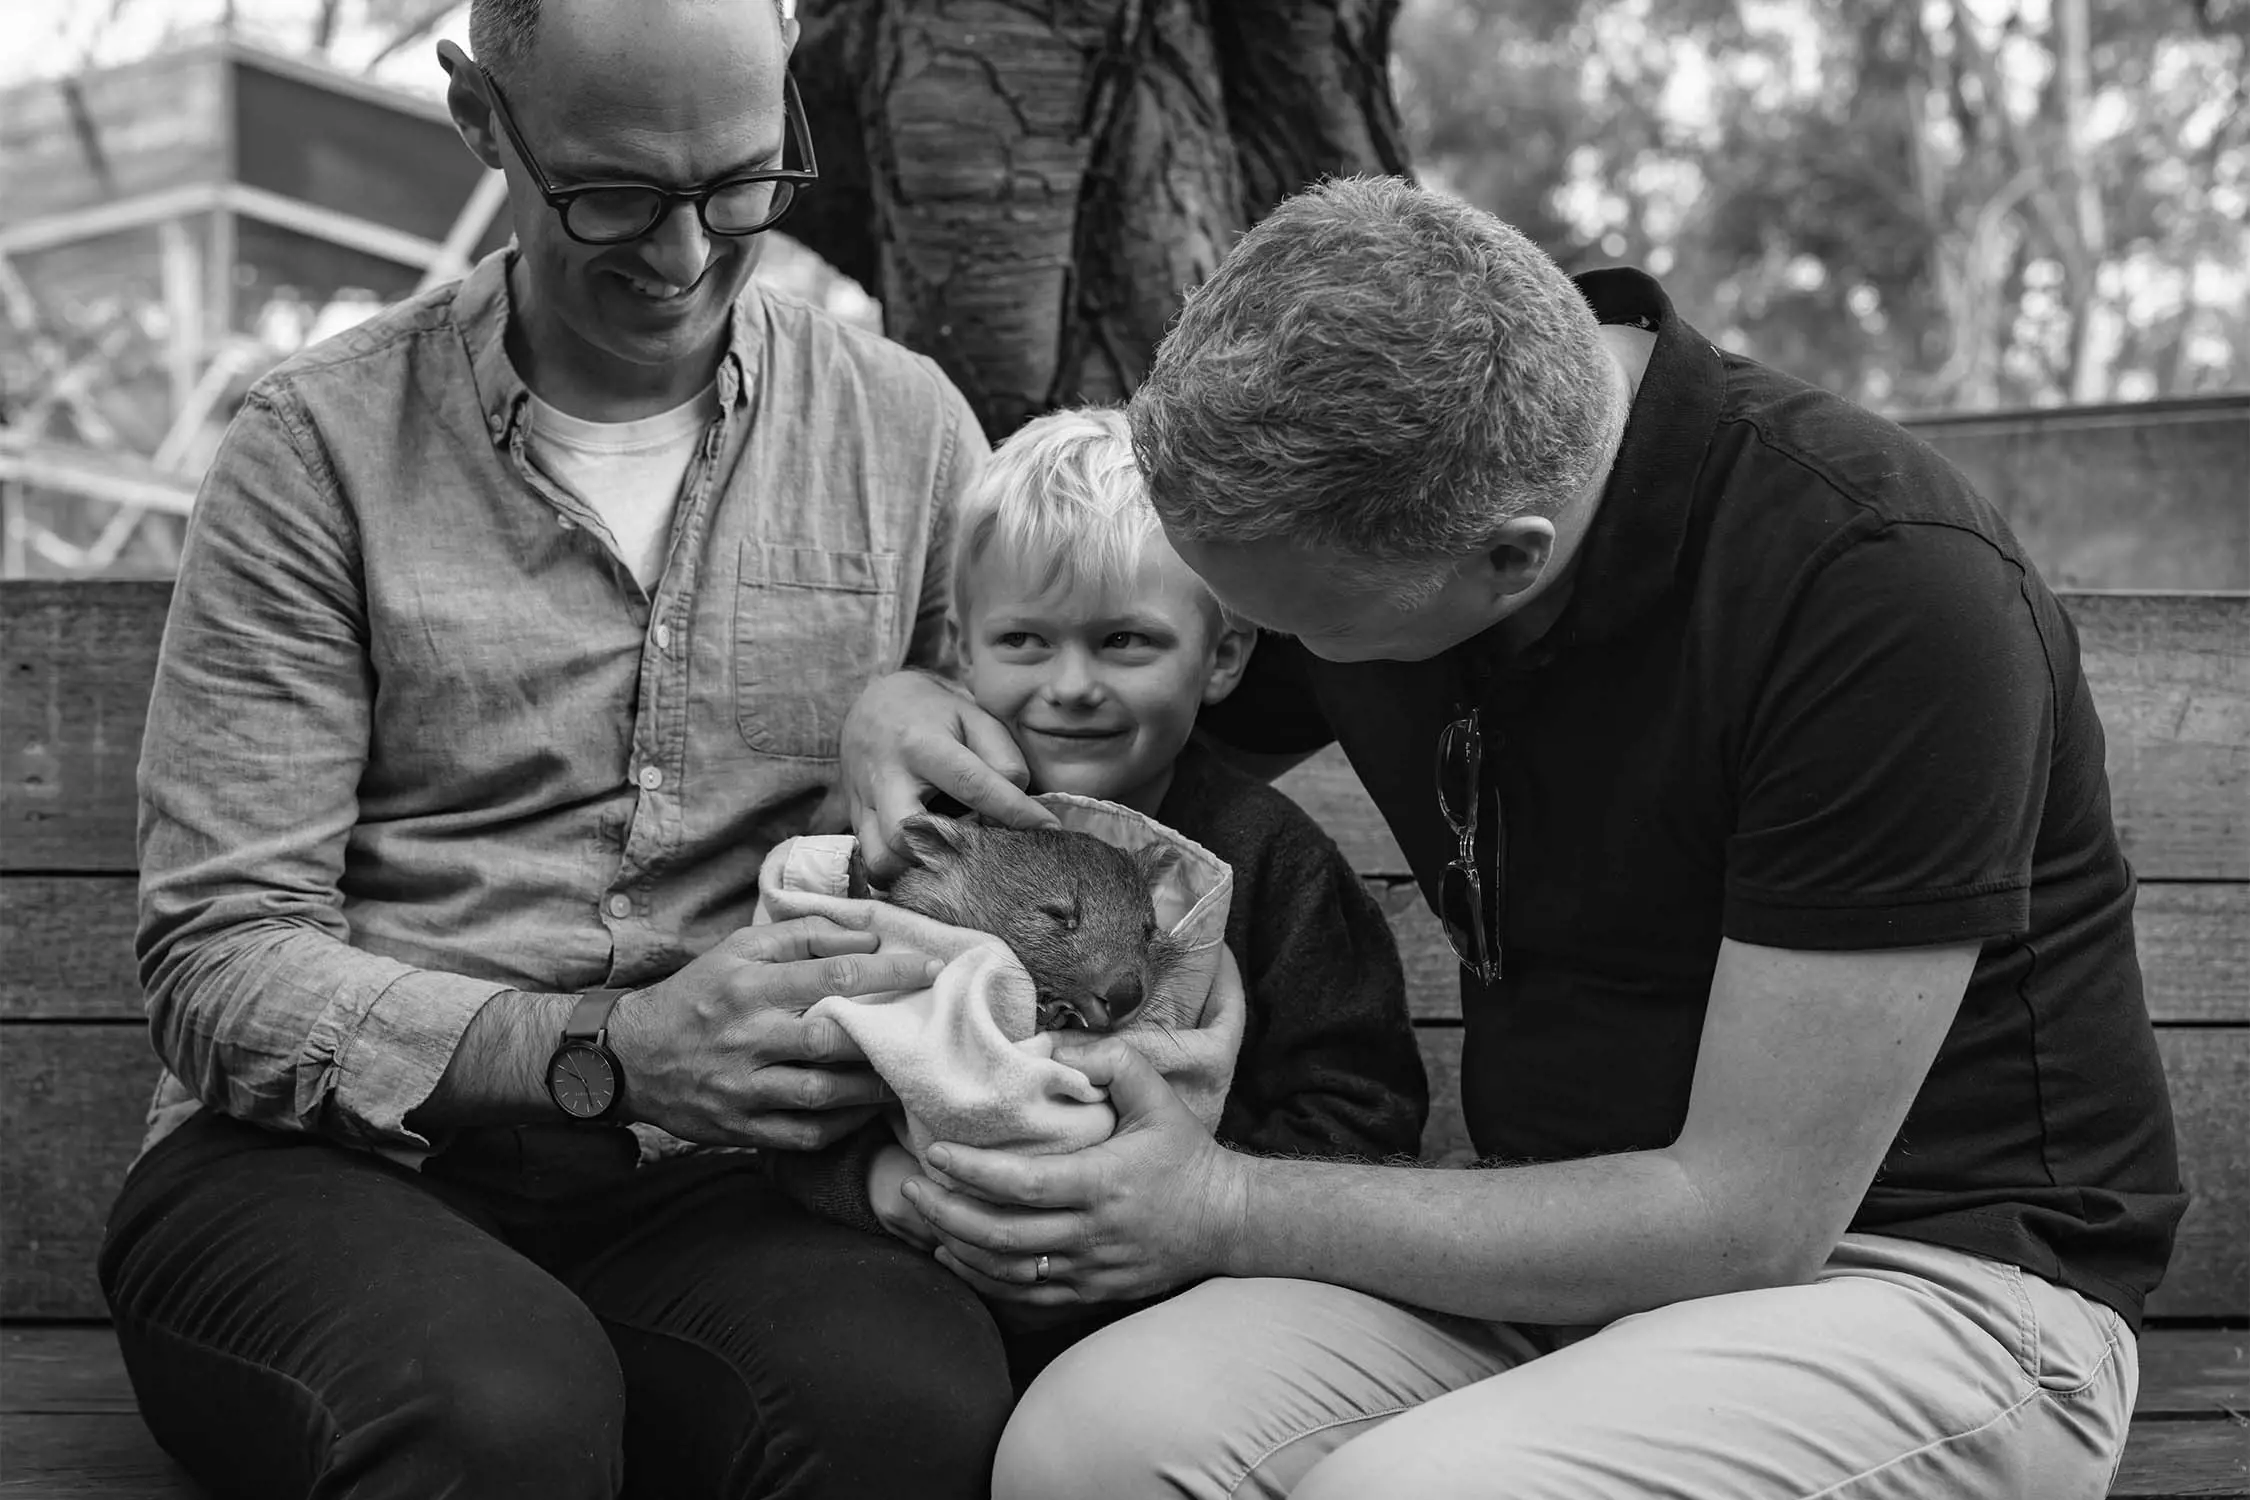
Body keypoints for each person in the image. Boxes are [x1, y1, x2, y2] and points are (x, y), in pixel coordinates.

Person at [836, 176, 2186, 1498]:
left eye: (1307, 636)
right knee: (1088, 1449)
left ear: (1509, 559)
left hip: (1923, 1282)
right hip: (1538, 1246)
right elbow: (1115, 747)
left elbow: (1748, 1217)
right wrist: (910, 704)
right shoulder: (1382, 502)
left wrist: (1221, 1205)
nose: (1282, 665)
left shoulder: (1879, 590)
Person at [96, 1, 1015, 1495]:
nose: (683, 257)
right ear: (479, 120)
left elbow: (1017, 818)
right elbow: (220, 960)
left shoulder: (903, 428)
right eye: (613, 198)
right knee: (496, 1419)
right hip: (322, 1170)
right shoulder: (313, 449)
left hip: (722, 1191)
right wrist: (607, 1055)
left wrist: (914, 704)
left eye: (738, 186)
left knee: (904, 1411)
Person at [768, 407, 1428, 1384]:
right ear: (965, 650)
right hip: (910, 1273)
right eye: (1026, 641)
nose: (1071, 685)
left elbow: (1361, 1108)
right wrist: (882, 1187)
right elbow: (792, 1064)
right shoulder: (914, 836)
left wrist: (1195, 1218)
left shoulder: (1268, 857)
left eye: (1124, 640)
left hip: (1187, 1308)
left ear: (1226, 656)